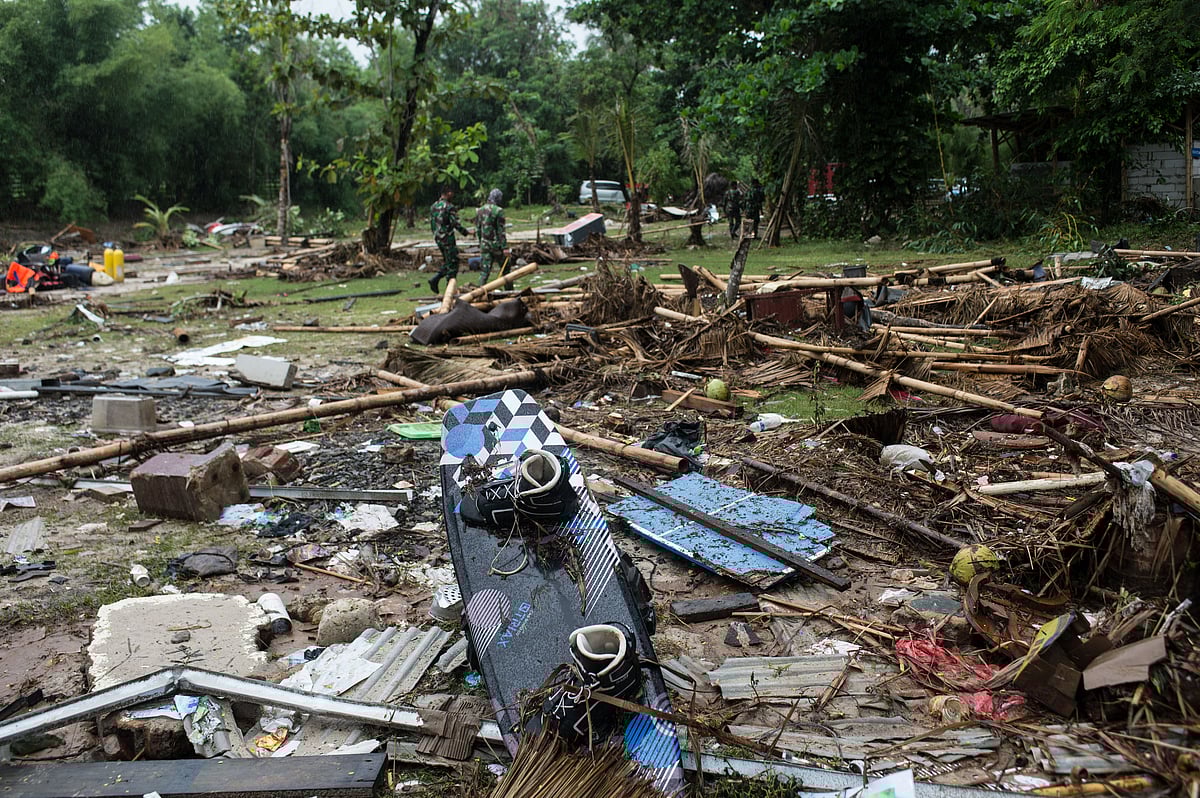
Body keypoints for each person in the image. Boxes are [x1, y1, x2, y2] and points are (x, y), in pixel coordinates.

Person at [428, 186, 471, 293]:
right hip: (447, 239)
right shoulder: (449, 207)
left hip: (438, 238)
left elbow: (432, 223)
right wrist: (466, 232)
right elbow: (455, 223)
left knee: (449, 261)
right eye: (452, 193)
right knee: (453, 263)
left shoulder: (433, 206)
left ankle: (438, 280)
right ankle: (448, 288)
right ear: (449, 193)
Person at [475, 188, 507, 283]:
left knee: (484, 271)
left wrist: (481, 242)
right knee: (506, 269)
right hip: (496, 246)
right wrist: (504, 247)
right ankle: (509, 289)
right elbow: (501, 231)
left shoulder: (480, 210)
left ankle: (480, 290)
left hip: (484, 245)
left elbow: (478, 229)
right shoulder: (498, 211)